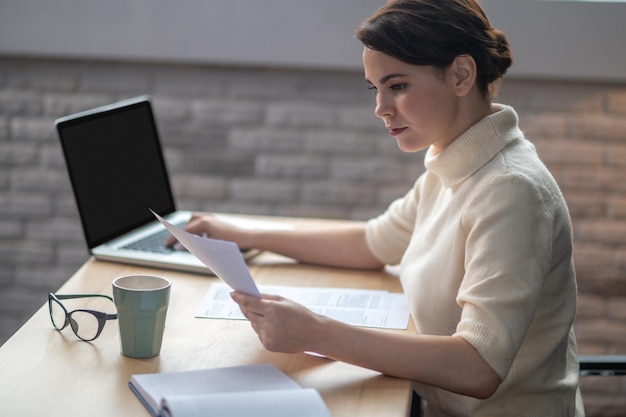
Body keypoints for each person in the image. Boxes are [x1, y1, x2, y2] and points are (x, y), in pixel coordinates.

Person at [166, 0, 584, 415]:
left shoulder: (510, 189)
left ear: (461, 74)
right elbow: (373, 242)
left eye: (397, 86)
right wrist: (243, 234)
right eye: (376, 88)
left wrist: (317, 333)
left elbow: (479, 366)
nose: (381, 108)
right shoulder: (455, 164)